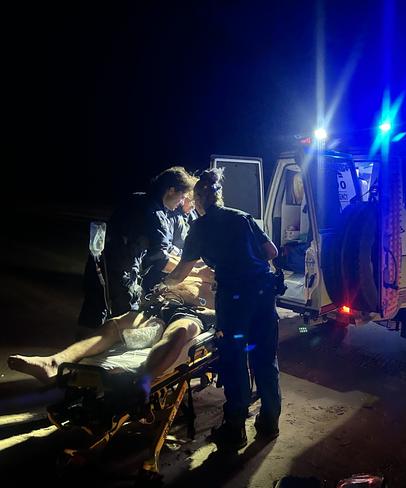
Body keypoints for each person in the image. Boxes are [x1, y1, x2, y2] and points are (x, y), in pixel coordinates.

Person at [162, 168, 281, 450]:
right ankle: (269, 422)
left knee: (235, 360)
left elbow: (180, 273)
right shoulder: (241, 217)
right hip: (264, 295)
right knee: (265, 358)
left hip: (235, 301)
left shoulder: (200, 228)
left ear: (197, 201)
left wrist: (162, 285)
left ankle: (234, 429)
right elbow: (272, 252)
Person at [8, 265, 216, 386]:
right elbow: (164, 265)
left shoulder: (228, 281)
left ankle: (143, 381)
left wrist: (213, 312)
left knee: (179, 332)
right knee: (114, 325)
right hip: (158, 309)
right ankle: (54, 363)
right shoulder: (190, 269)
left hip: (190, 314)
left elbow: (239, 310)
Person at [78, 166, 196, 329]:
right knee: (123, 322)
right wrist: (190, 270)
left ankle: (78, 349)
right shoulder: (155, 214)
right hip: (119, 274)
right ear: (171, 190)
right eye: (182, 196)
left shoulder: (138, 199)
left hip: (98, 264)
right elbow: (160, 257)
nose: (182, 202)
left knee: (91, 315)